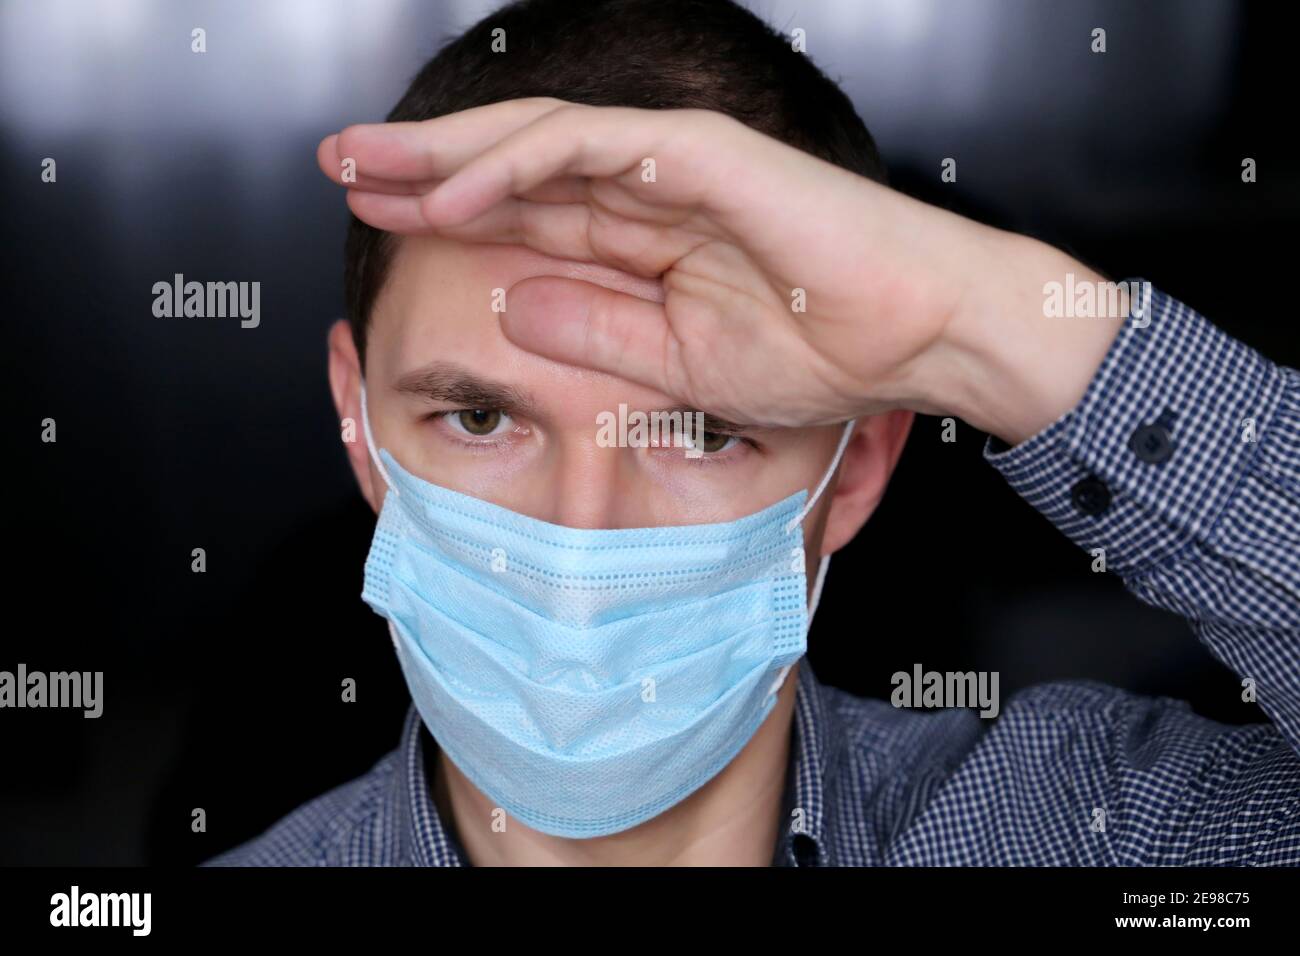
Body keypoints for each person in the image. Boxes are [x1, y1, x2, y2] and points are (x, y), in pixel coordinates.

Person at [205, 0, 1300, 866]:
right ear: (358, 419)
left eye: (703, 434)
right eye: (481, 417)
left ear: (859, 464)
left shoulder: (1092, 829)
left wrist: (982, 321)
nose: (586, 543)